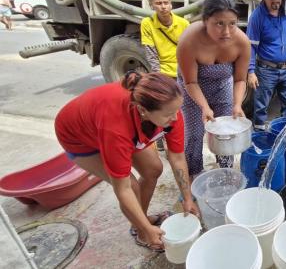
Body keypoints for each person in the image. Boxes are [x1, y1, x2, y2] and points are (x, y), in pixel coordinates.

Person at [55, 71, 199, 252]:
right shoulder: (116, 128)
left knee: (153, 169)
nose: (176, 118)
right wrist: (147, 230)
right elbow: (122, 189)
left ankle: (142, 219)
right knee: (130, 186)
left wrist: (187, 198)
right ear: (143, 110)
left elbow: (177, 158)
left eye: (178, 110)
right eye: (170, 114)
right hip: (80, 138)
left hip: (111, 124)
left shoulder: (168, 110)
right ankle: (141, 231)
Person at [177, 0, 251, 176]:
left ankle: (226, 171)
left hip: (222, 87)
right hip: (193, 90)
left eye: (232, 24)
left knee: (225, 133)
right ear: (205, 20)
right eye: (219, 24)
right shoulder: (189, 41)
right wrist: (204, 107)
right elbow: (191, 82)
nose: (226, 32)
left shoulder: (242, 42)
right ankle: (194, 174)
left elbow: (241, 79)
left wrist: (237, 104)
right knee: (194, 134)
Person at [246, 0, 286, 131]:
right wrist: (251, 72)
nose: (274, 1)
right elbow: (250, 46)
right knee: (260, 107)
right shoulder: (257, 17)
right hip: (266, 70)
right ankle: (259, 136)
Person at [141, 0, 189, 151]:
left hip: (181, 73)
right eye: (158, 3)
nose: (163, 7)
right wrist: (159, 79)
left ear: (171, 3)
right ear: (151, 5)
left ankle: (178, 141)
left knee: (180, 111)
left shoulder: (183, 23)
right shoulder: (147, 24)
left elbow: (188, 50)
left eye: (166, 3)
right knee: (161, 110)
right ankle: (160, 140)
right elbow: (150, 52)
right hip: (162, 74)